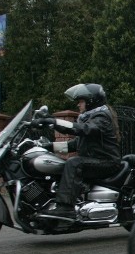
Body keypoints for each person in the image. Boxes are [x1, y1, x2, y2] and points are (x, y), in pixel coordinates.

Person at [32, 83, 121, 220]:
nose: (78, 105)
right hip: (97, 160)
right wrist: (48, 146)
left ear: (91, 102)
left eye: (81, 101)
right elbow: (75, 145)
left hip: (107, 162)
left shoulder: (101, 118)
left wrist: (54, 122)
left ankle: (65, 208)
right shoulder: (91, 118)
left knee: (74, 163)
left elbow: (83, 129)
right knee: (64, 163)